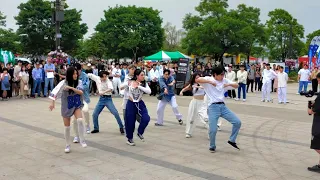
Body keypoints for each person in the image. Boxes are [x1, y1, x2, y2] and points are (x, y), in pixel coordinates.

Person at [196, 66, 241, 152]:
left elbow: (237, 85)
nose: (223, 76)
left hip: (223, 107)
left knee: (237, 122)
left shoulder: (225, 80)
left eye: (224, 74)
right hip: (213, 107)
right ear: (215, 75)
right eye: (221, 74)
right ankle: (212, 146)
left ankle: (232, 140)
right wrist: (210, 82)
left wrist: (228, 84)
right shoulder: (209, 79)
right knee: (213, 129)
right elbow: (197, 80)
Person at [48, 66, 87, 153]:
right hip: (66, 106)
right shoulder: (63, 83)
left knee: (80, 120)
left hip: (76, 104)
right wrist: (52, 103)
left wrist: (71, 88)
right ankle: (67, 144)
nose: (76, 75)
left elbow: (81, 92)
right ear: (69, 74)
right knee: (67, 127)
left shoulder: (79, 82)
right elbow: (55, 92)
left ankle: (82, 140)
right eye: (74, 74)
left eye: (76, 73)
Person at [123, 69, 151, 146]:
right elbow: (120, 87)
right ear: (137, 76)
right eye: (141, 75)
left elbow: (149, 91)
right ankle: (129, 139)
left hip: (140, 103)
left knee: (146, 118)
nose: (143, 76)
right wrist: (126, 84)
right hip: (131, 104)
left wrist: (139, 86)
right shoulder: (130, 82)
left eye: (143, 75)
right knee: (130, 122)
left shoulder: (144, 83)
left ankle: (140, 132)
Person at [180, 72, 206, 138]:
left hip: (202, 103)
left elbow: (203, 87)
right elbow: (185, 88)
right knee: (191, 117)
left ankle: (210, 133)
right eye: (196, 78)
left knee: (205, 118)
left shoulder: (204, 83)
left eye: (198, 77)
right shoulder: (193, 84)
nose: (197, 79)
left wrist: (197, 86)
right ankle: (188, 132)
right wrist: (181, 91)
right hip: (194, 102)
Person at [72, 63, 91, 144]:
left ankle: (87, 125)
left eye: (78, 71)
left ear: (80, 69)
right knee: (75, 120)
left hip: (84, 98)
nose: (76, 73)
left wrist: (78, 87)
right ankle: (76, 136)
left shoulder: (85, 76)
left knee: (86, 111)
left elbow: (86, 86)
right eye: (75, 71)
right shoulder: (72, 76)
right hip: (75, 100)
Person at [307, 72, 320, 173]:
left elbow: (311, 112)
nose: (318, 82)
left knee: (316, 145)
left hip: (318, 124)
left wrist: (309, 105)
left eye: (319, 80)